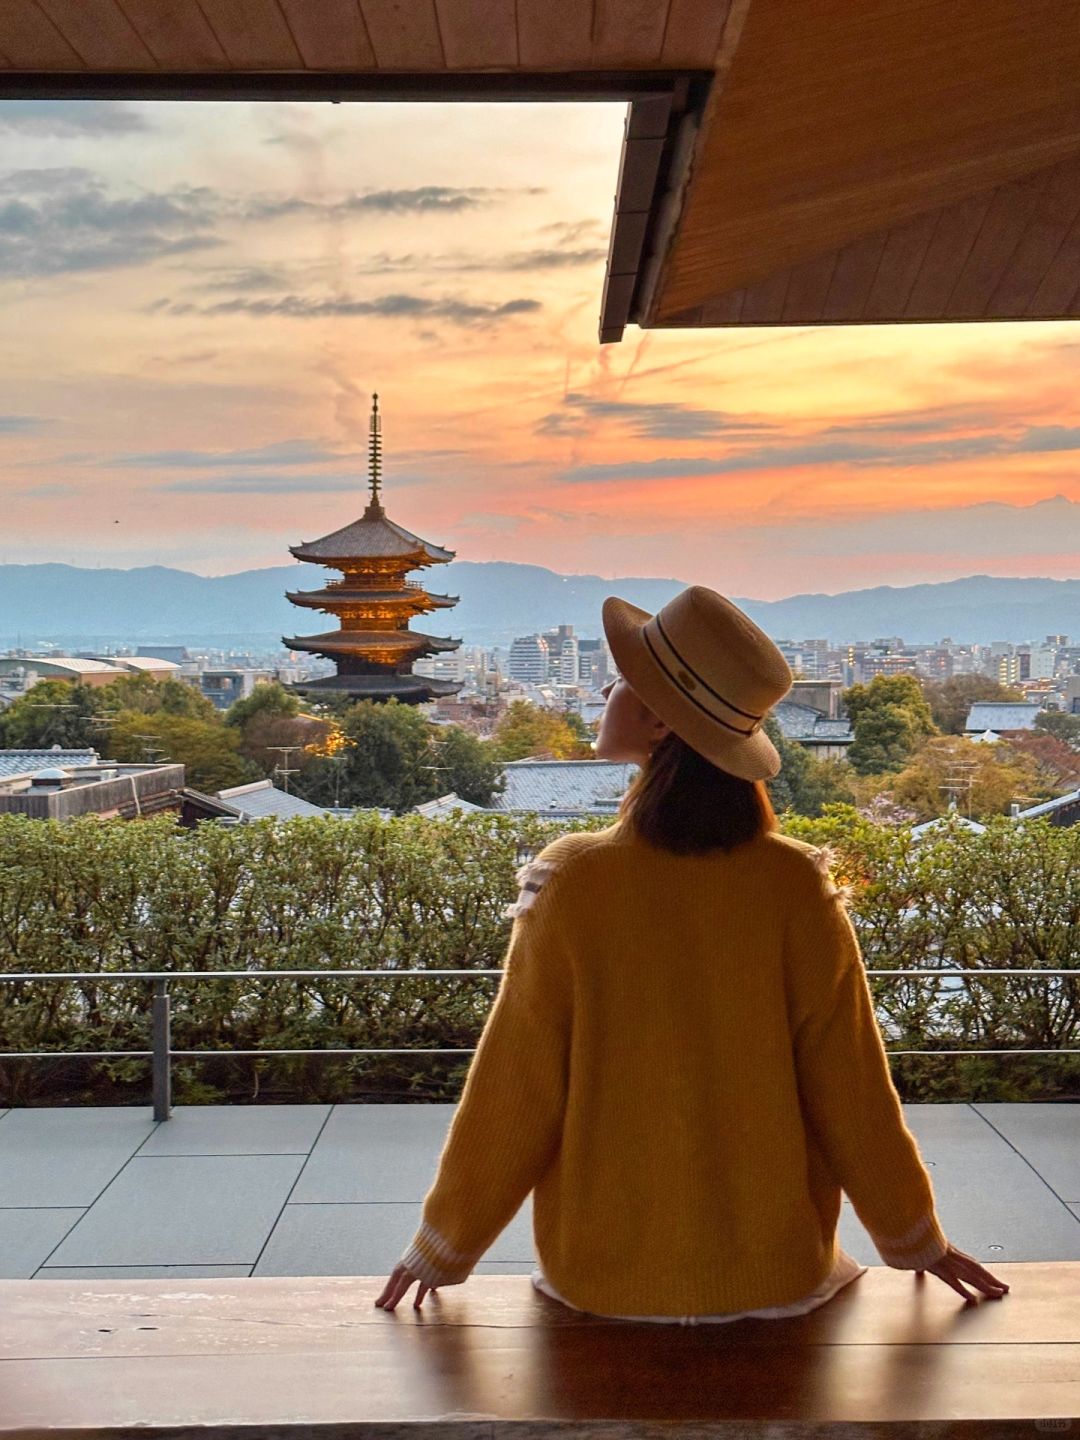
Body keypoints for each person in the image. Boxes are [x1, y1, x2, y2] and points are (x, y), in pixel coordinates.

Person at [376, 585, 1009, 1319]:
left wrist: (444, 1247)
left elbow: (516, 1085)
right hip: (778, 1276)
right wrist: (915, 1237)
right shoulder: (794, 884)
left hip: (601, 1277)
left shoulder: (574, 881)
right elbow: (852, 1084)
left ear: (653, 720)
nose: (605, 691)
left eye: (619, 681)